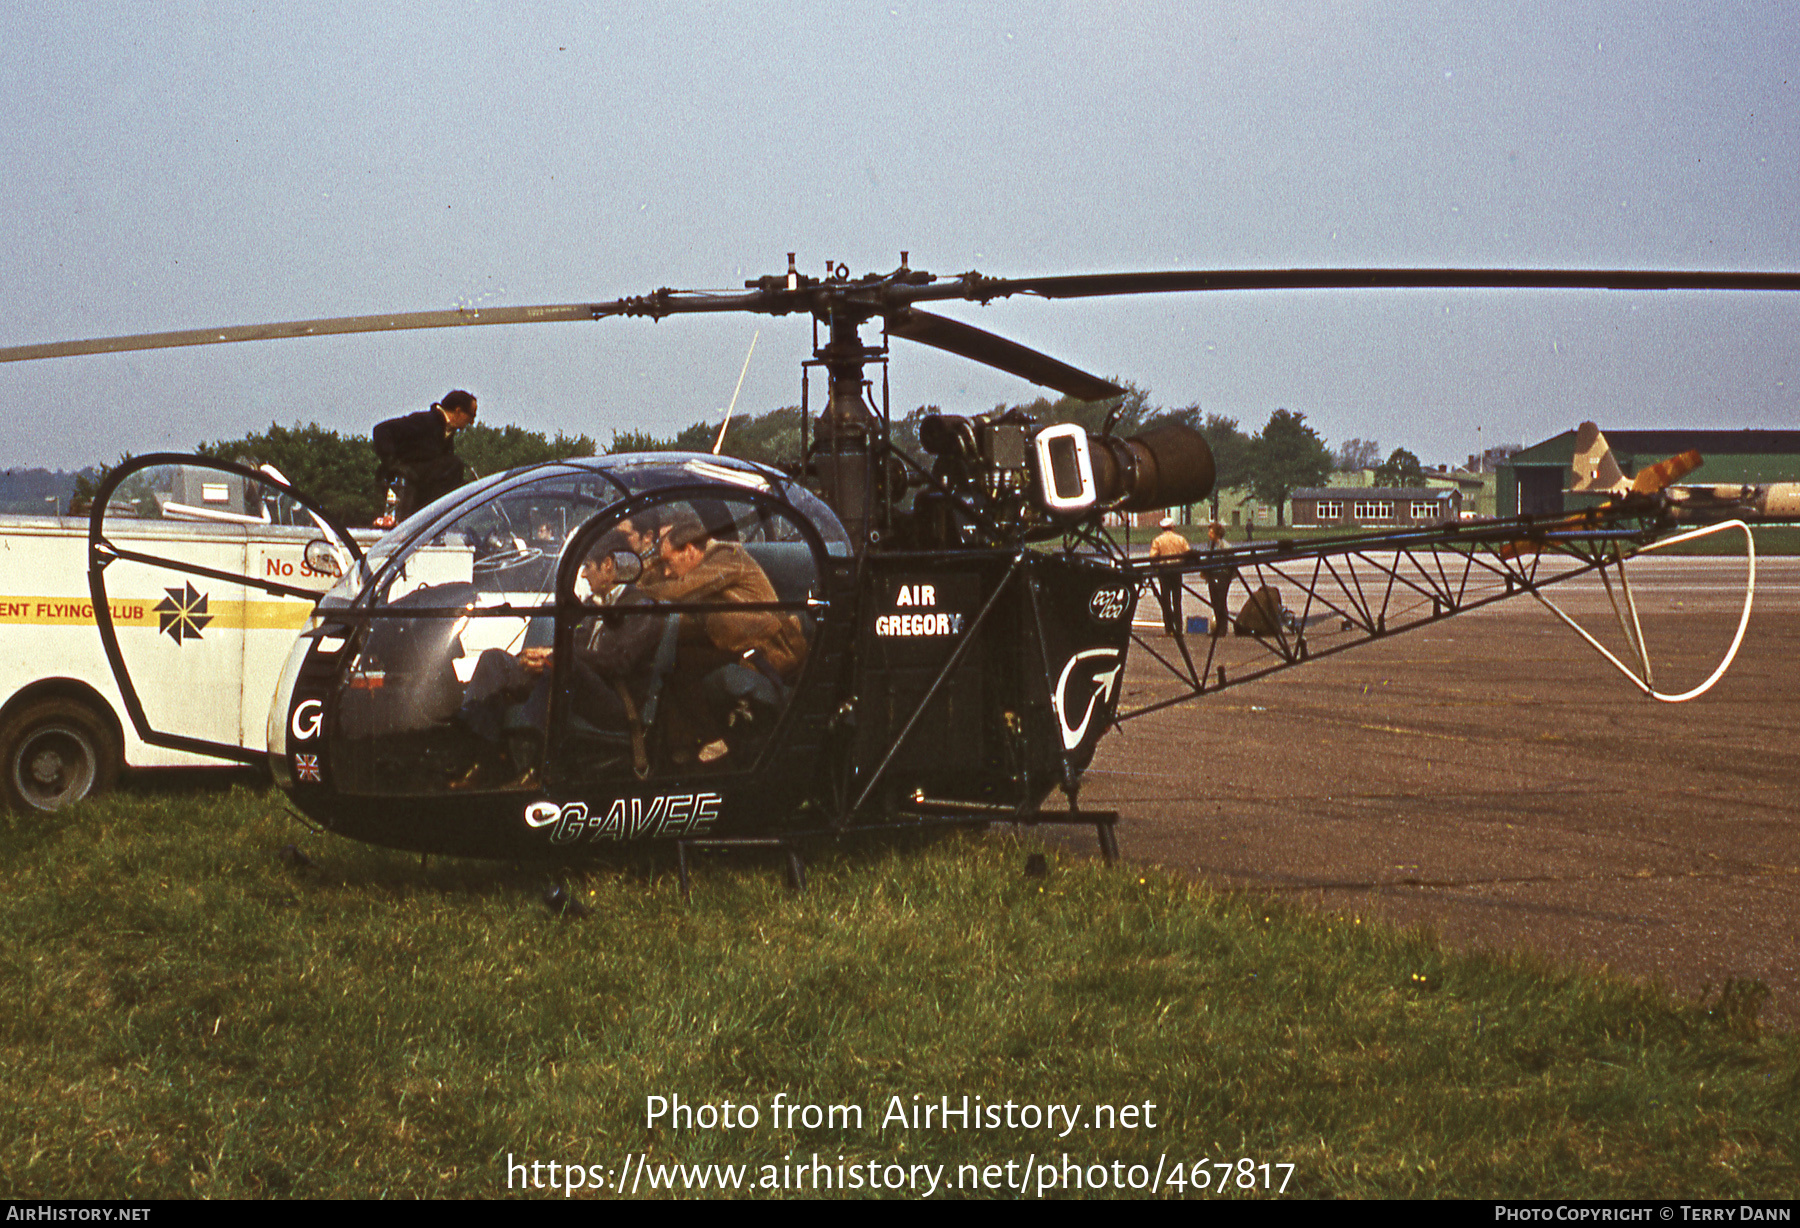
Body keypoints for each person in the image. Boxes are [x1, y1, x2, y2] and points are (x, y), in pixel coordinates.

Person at [653, 511, 807, 763]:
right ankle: (687, 747)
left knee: (680, 663)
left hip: (765, 654)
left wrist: (635, 593)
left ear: (690, 550)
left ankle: (713, 742)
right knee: (678, 657)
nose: (667, 572)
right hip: (742, 646)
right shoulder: (707, 564)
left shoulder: (725, 558)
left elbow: (677, 591)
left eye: (669, 563)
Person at [373, 390, 478, 522]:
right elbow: (382, 430)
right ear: (458, 411)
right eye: (471, 416)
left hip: (421, 482)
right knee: (454, 465)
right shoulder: (425, 421)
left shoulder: (446, 433)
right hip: (404, 478)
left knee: (455, 468)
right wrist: (392, 463)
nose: (472, 422)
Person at [1147, 515, 1192, 636]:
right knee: (1177, 601)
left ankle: (1169, 628)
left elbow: (1152, 557)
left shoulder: (1158, 540)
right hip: (1177, 571)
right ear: (1173, 527)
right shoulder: (1180, 539)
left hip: (1164, 572)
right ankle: (1179, 627)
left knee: (1165, 600)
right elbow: (1188, 552)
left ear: (1162, 528)